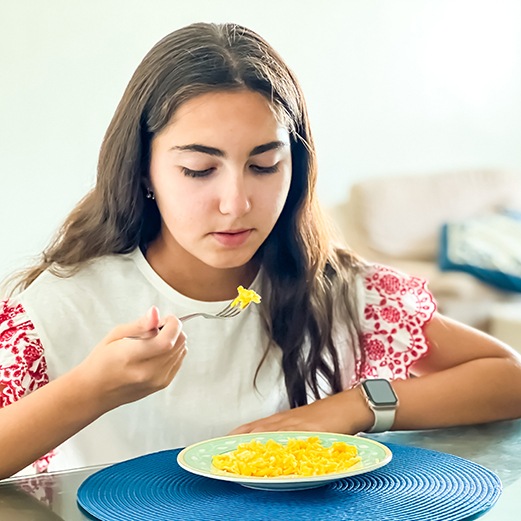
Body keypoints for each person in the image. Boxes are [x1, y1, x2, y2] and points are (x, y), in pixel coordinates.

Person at [1, 22, 521, 481]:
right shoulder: (62, 304)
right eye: (199, 170)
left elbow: (508, 378)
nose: (237, 204)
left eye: (265, 164)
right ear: (144, 172)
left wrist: (351, 408)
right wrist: (94, 388)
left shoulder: (333, 286)